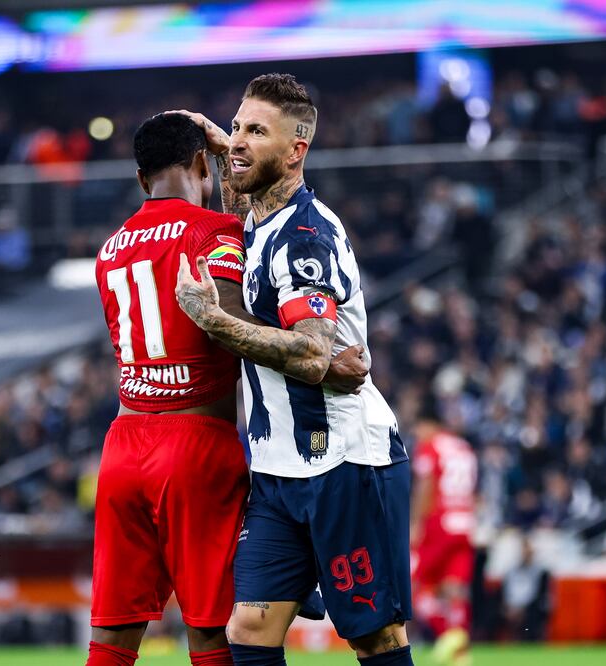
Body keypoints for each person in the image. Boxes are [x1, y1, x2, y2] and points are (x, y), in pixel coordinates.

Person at [88, 112, 365, 666]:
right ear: (201, 164)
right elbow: (233, 319)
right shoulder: (215, 233)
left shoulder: (109, 249)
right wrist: (320, 362)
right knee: (214, 632)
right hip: (194, 445)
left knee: (112, 638)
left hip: (121, 448)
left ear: (141, 179)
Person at [175, 73, 414, 665]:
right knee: (249, 631)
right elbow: (241, 199)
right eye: (237, 126)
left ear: (295, 150)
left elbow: (311, 354)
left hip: (343, 462)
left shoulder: (305, 237)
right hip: (277, 470)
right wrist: (225, 146)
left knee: (375, 636)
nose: (239, 138)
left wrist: (213, 321)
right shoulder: (260, 223)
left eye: (257, 131)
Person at [410, 402, 478, 659]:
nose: (417, 434)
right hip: (464, 522)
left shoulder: (430, 447)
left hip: (438, 523)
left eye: (418, 428)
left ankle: (447, 633)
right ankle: (461, 654)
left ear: (429, 425)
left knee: (413, 584)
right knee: (455, 588)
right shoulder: (464, 447)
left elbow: (426, 486)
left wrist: (416, 523)